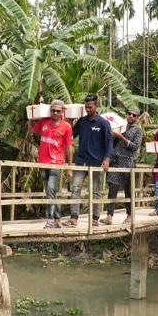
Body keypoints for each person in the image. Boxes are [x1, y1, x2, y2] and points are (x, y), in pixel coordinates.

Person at [63, 94, 113, 228]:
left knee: (95, 191)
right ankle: (74, 218)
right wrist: (70, 122)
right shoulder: (82, 122)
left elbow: (109, 143)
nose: (88, 109)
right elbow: (71, 135)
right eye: (86, 107)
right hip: (81, 161)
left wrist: (107, 160)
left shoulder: (102, 123)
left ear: (96, 106)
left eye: (90, 107)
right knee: (76, 188)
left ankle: (95, 218)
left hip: (96, 163)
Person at [28, 100, 74, 229]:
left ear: (62, 112)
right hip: (43, 163)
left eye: (58, 111)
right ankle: (58, 218)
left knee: (51, 189)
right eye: (53, 110)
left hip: (57, 163)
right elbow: (31, 131)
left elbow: (69, 148)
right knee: (49, 192)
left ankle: (49, 221)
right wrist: (30, 116)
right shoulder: (44, 122)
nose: (55, 113)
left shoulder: (66, 127)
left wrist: (70, 168)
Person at [100, 107, 143, 225]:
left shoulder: (138, 130)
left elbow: (135, 147)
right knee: (113, 188)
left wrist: (121, 137)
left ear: (137, 118)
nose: (131, 116)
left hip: (129, 162)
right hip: (116, 161)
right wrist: (114, 136)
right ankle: (109, 216)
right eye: (129, 114)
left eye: (134, 115)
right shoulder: (121, 126)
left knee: (128, 190)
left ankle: (129, 215)